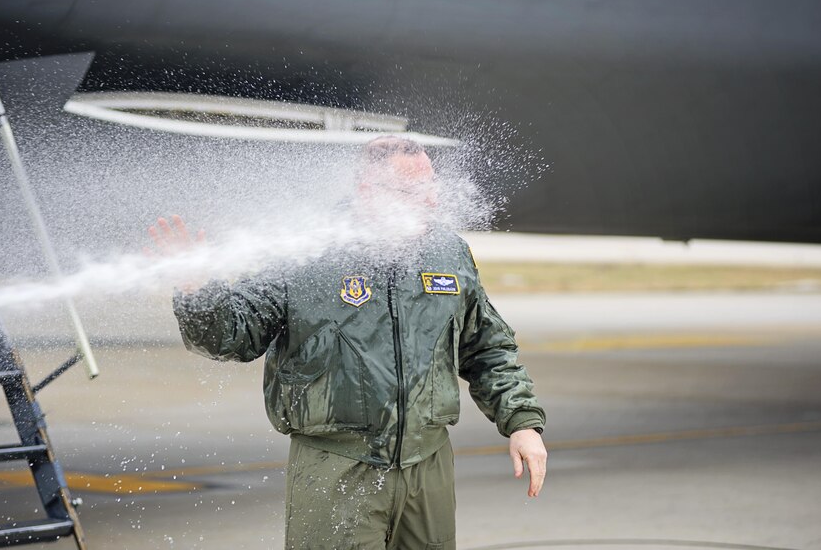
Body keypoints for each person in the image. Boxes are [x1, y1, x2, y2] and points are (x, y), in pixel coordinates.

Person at [148, 136, 547, 549]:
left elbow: (487, 349)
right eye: (411, 191)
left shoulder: (448, 253)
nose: (429, 202)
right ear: (366, 191)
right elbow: (233, 335)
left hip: (427, 467)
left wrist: (522, 424)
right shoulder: (305, 251)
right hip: (338, 466)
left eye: (431, 187)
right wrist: (196, 290)